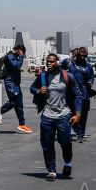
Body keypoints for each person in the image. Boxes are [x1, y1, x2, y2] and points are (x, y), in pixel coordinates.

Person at [30, 52, 83, 181]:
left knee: (65, 142)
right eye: (48, 61)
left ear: (58, 63)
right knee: (47, 144)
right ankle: (51, 170)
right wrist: (38, 91)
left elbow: (77, 95)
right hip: (47, 115)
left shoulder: (67, 76)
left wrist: (78, 114)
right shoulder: (43, 76)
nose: (49, 63)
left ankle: (67, 163)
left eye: (52, 61)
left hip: (63, 115)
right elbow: (32, 88)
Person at [0, 44, 33, 133]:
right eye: (22, 53)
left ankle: (22, 124)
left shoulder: (14, 57)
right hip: (11, 83)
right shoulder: (10, 56)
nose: (22, 55)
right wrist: (21, 56)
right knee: (13, 101)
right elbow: (17, 66)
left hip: (15, 84)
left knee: (19, 104)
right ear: (19, 51)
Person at [63, 47, 95, 143]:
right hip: (70, 94)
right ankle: (74, 132)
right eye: (80, 55)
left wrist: (90, 83)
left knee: (83, 116)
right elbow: (60, 71)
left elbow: (91, 77)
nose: (82, 58)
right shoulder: (69, 63)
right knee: (70, 114)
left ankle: (81, 134)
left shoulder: (88, 66)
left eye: (84, 56)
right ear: (76, 54)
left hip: (83, 94)